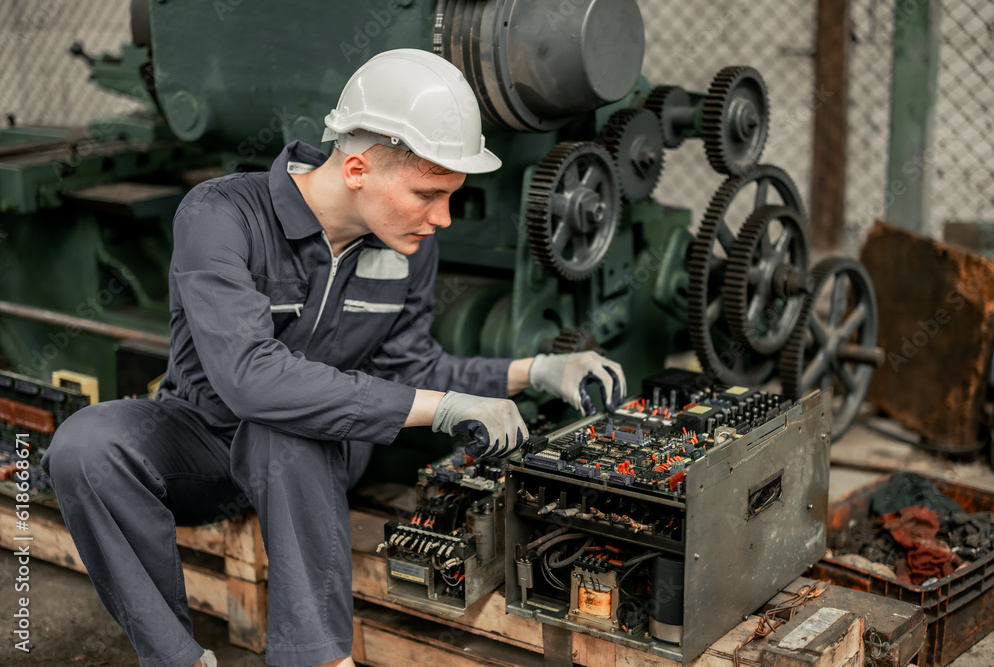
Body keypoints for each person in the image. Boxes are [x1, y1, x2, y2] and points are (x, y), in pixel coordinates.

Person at [41, 49, 625, 667]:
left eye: (451, 196)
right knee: (85, 446)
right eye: (429, 193)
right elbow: (249, 378)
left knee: (289, 428)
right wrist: (444, 407)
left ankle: (318, 659)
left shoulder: (405, 248)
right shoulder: (221, 215)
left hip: (315, 460)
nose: (442, 218)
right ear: (355, 169)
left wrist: (534, 370)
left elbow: (408, 368)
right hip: (201, 442)